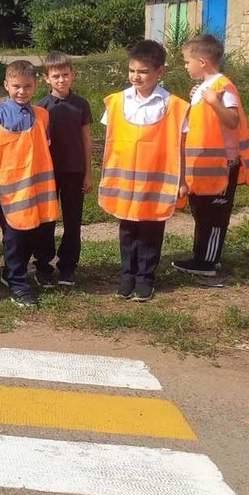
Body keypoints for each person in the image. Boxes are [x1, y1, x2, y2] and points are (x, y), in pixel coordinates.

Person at [98, 40, 188, 303]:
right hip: (125, 182)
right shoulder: (117, 101)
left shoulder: (173, 105)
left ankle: (145, 277)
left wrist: (182, 180)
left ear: (160, 71)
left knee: (150, 229)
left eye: (143, 72)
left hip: (156, 182)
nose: (136, 76)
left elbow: (179, 146)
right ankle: (127, 275)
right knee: (127, 228)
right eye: (132, 70)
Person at [0, 60, 59, 309]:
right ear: (6, 85)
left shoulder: (42, 115)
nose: (22, 91)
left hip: (37, 189)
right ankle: (18, 284)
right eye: (17, 86)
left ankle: (12, 271)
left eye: (28, 86)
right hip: (7, 189)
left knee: (33, 231)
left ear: (35, 85)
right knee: (14, 236)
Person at [173, 34, 249, 278]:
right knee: (202, 213)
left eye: (187, 61)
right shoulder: (206, 87)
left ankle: (207, 262)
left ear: (202, 61)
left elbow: (233, 120)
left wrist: (213, 102)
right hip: (204, 167)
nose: (185, 65)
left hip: (222, 167)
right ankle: (201, 257)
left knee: (214, 216)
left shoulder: (223, 87)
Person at [34, 51, 93, 287]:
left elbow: (86, 140)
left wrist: (88, 173)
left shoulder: (81, 104)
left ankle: (68, 267)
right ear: (46, 78)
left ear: (73, 75)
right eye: (56, 76)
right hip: (48, 174)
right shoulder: (40, 107)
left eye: (65, 75)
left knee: (72, 221)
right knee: (46, 221)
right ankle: (43, 266)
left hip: (75, 171)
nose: (61, 80)